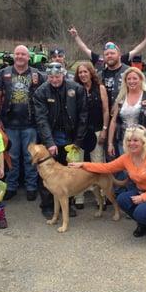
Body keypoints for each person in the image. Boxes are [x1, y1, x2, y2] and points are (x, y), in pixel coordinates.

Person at [70, 125, 146, 240]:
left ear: (144, 141)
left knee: (140, 212)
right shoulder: (127, 157)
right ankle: (143, 223)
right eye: (129, 140)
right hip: (143, 192)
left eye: (135, 140)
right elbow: (107, 167)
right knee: (122, 199)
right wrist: (83, 165)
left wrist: (144, 197)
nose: (132, 143)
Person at [34, 62, 88, 219]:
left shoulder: (76, 89)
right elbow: (41, 120)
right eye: (51, 77)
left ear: (63, 75)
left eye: (57, 76)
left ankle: (68, 203)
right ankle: (47, 204)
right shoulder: (41, 92)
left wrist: (78, 141)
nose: (54, 80)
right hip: (50, 136)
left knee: (68, 172)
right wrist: (49, 143)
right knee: (46, 172)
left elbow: (83, 115)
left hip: (70, 136)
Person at [0, 45, 45, 201]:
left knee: (31, 157)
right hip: (9, 123)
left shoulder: (37, 74)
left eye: (23, 54)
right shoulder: (4, 73)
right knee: (12, 156)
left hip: (30, 123)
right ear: (13, 56)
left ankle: (31, 186)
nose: (20, 56)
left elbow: (44, 97)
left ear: (28, 57)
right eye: (17, 54)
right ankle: (11, 186)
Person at [73, 62, 109, 209]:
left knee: (98, 165)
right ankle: (78, 197)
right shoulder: (74, 89)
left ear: (91, 73)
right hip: (79, 133)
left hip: (97, 130)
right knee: (77, 165)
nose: (82, 75)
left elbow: (106, 110)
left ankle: (102, 197)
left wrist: (105, 130)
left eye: (85, 72)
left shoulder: (100, 88)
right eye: (80, 72)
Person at [108, 67, 146, 158]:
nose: (131, 81)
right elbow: (113, 121)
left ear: (141, 79)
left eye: (135, 78)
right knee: (127, 169)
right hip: (125, 142)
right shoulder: (121, 98)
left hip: (144, 142)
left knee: (143, 170)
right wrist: (110, 143)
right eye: (129, 79)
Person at [67, 26, 146, 74]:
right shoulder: (98, 60)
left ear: (118, 54)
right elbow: (84, 48)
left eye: (112, 53)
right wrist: (76, 37)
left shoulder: (123, 59)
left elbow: (136, 50)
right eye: (107, 53)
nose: (109, 55)